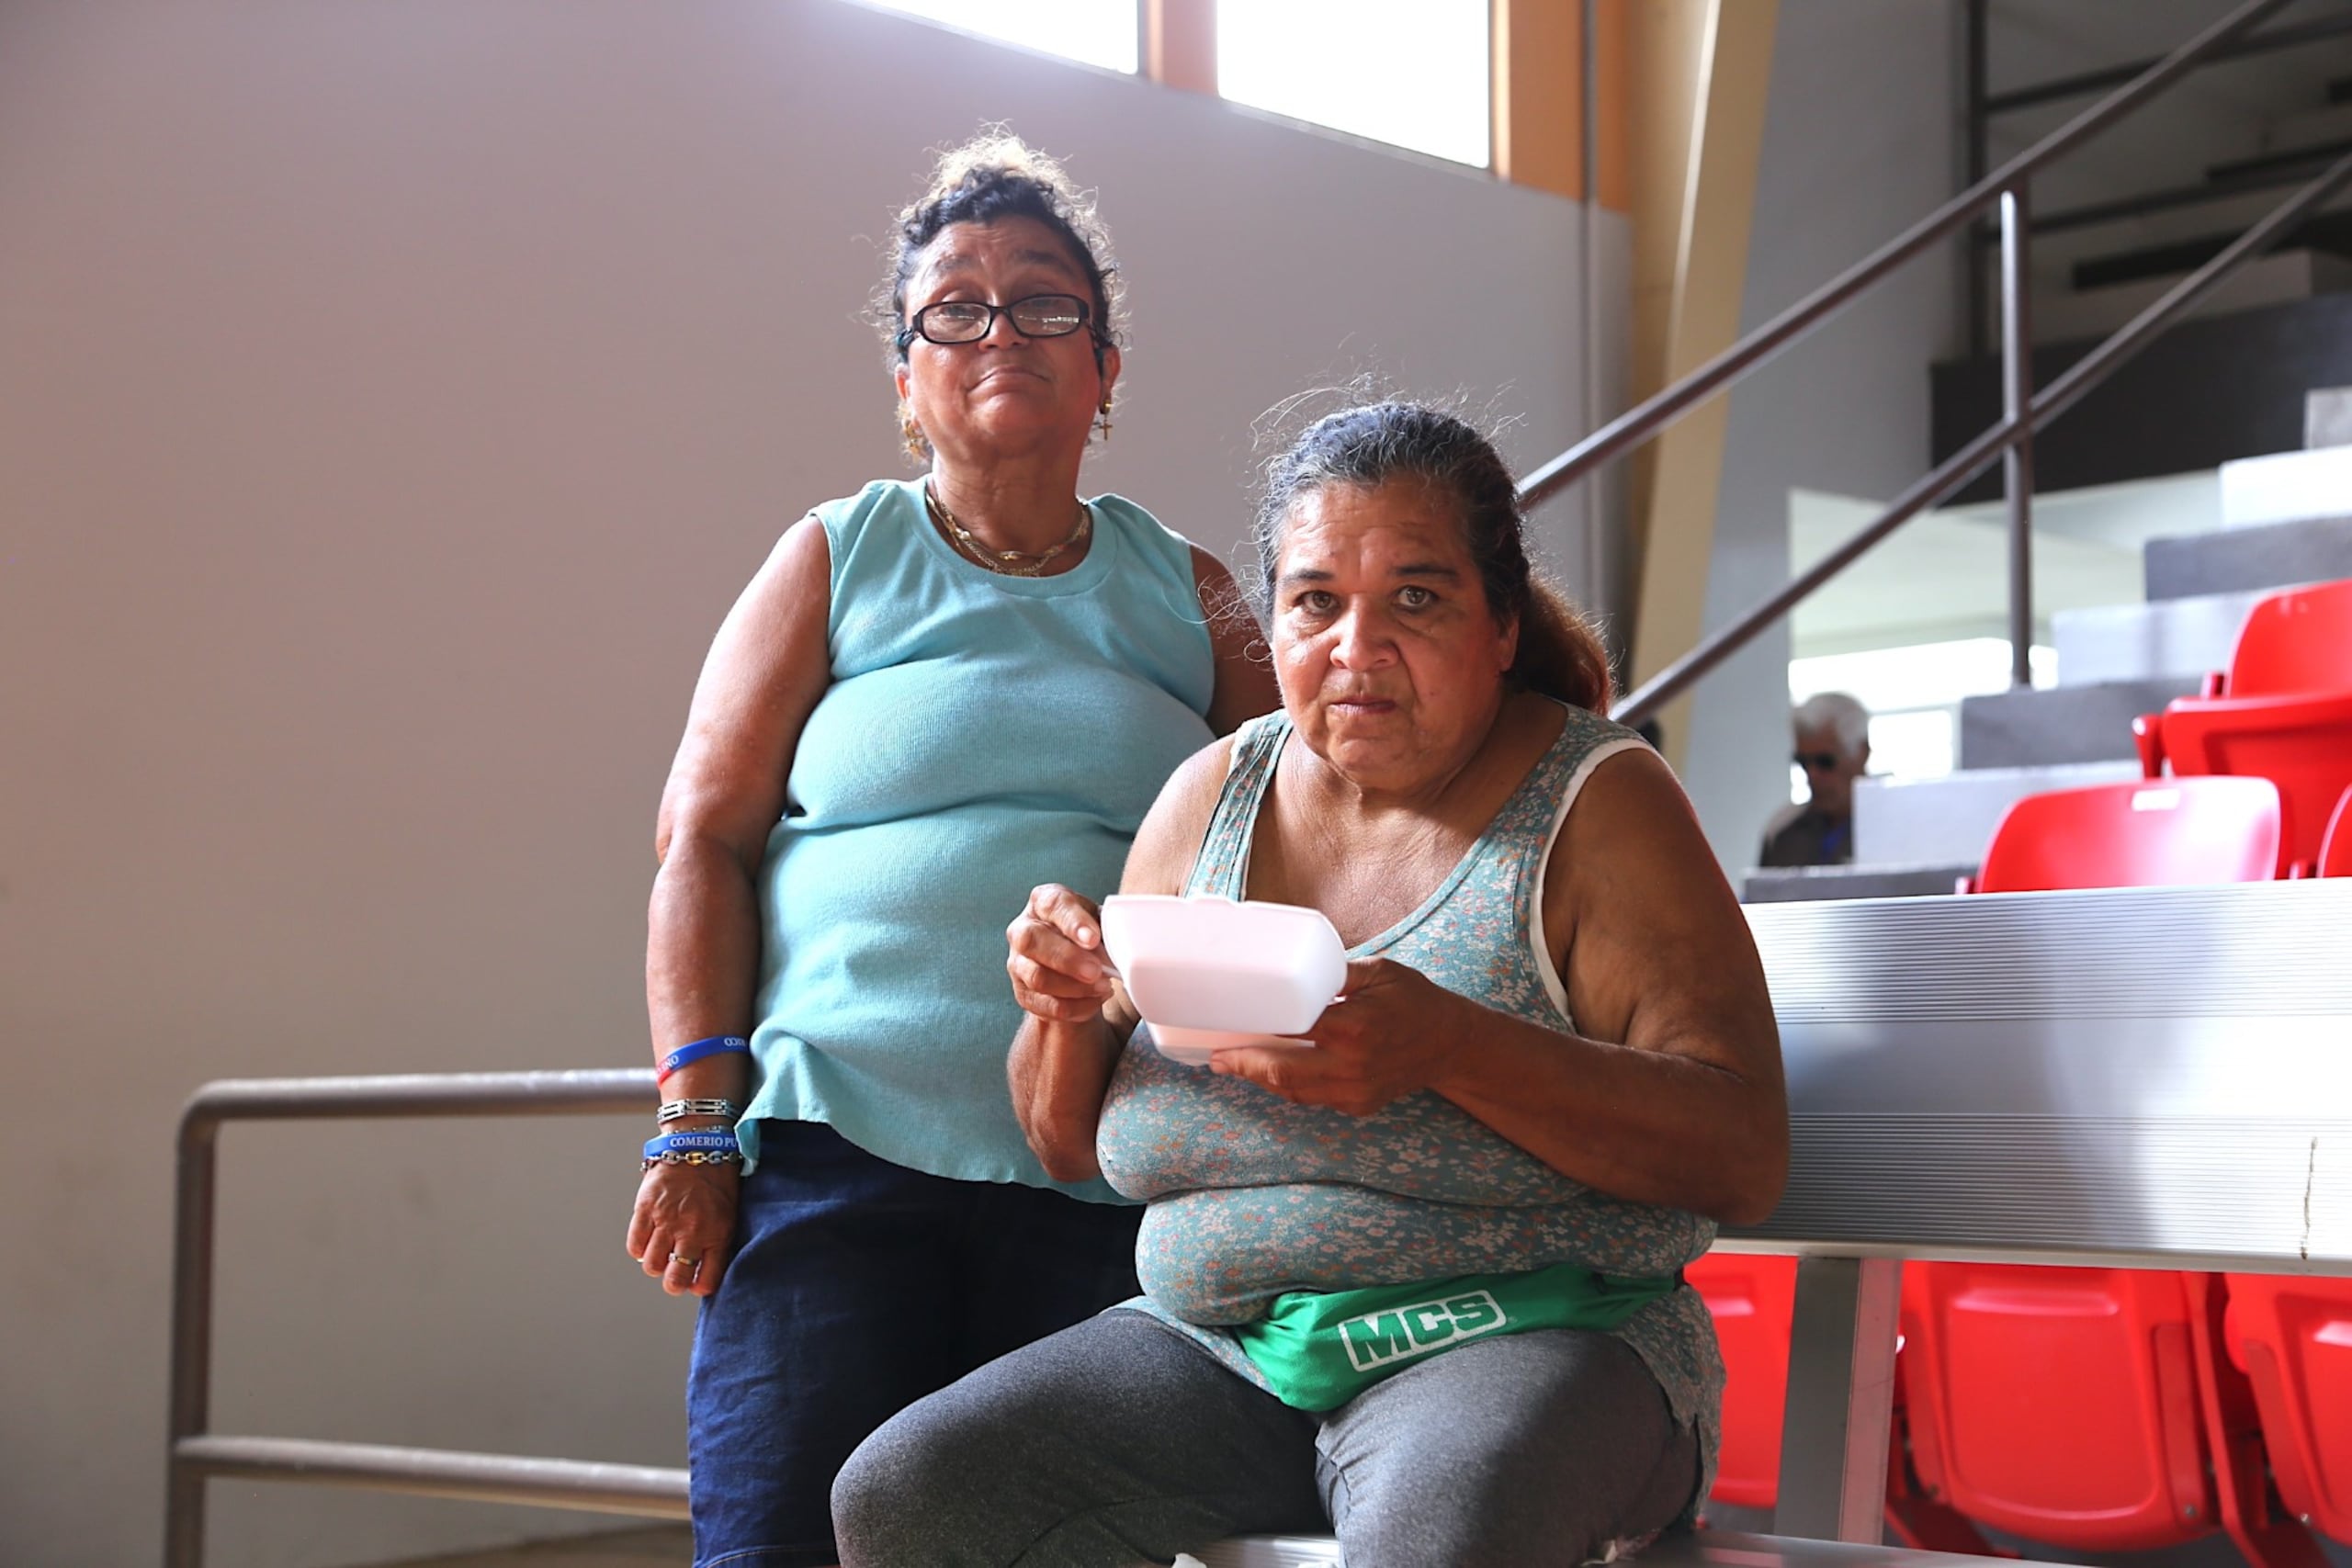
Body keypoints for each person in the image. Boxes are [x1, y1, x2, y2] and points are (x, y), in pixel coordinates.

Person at [831, 401, 1789, 1568]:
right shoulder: (1210, 797)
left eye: (1417, 599)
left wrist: (1455, 1049)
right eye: (1315, 600)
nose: (1355, 647)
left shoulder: (1596, 804)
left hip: (1536, 1332)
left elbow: (1740, 1155)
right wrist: (1061, 1011)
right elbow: (1066, 1144)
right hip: (1233, 1351)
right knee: (919, 1491)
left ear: (1499, 624)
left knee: (1442, 1529)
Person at [626, 134, 1278, 1568]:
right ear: (904, 376)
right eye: (957, 306)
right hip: (828, 1161)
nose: (1003, 329)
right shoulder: (836, 555)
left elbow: (1318, 823)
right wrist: (693, 1114)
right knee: (780, 1541)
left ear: (1106, 370)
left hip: (1099, 1178)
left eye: (1047, 303)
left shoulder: (1194, 593)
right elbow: (702, 842)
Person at [1759, 691, 1871, 866]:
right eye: (1803, 762)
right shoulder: (1783, 831)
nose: (1812, 776)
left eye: (1825, 762)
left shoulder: (1898, 826)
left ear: (1861, 753)